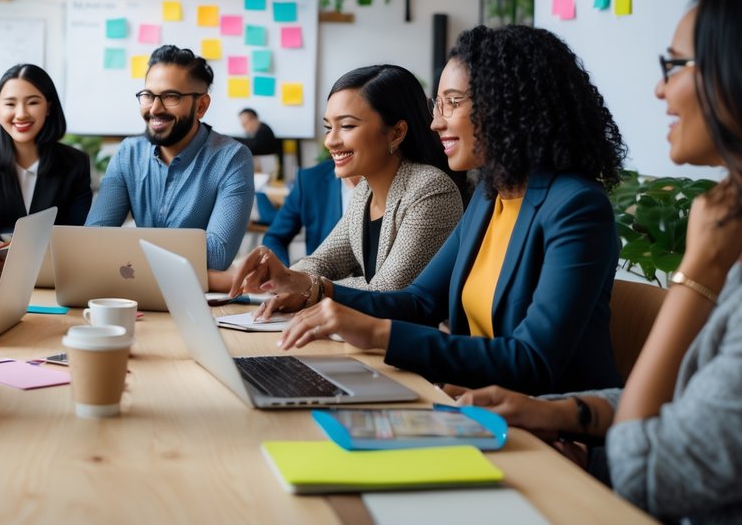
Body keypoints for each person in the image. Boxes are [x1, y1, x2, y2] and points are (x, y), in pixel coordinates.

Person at [454, 0, 742, 523]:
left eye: (674, 65)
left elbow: (653, 479)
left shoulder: (578, 203)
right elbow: (685, 407)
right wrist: (559, 414)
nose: (660, 90)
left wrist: (697, 272)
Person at [235, 25, 627, 394]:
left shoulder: (575, 207)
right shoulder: (491, 198)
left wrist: (378, 333)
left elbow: (533, 360)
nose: (437, 122)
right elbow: (420, 302)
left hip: (555, 434)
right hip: (473, 401)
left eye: (452, 104)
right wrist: (316, 290)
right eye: (437, 106)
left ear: (510, 106)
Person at [239, 65, 465, 291]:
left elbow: (386, 289)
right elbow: (322, 261)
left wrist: (304, 286)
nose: (330, 141)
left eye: (346, 126)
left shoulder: (431, 189)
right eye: (328, 127)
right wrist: (283, 278)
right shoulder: (365, 191)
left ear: (397, 133)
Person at [86, 44, 253, 292]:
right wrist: (188, 252)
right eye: (148, 95)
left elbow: (217, 254)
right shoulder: (128, 154)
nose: (154, 108)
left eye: (170, 97)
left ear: (201, 106)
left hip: (195, 300)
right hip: (137, 294)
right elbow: (94, 238)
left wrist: (128, 249)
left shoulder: (232, 158)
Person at [0, 64, 92, 235]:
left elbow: (76, 234)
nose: (21, 113)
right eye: (10, 104)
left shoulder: (75, 164)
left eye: (32, 102)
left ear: (49, 108)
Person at [261, 158, 350, 265]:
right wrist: (285, 275)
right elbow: (274, 238)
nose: (329, 143)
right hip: (320, 278)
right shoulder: (310, 180)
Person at [237, 107, 281, 179]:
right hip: (266, 166)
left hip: (267, 168)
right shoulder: (260, 130)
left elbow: (253, 148)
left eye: (245, 124)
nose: (244, 128)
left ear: (254, 119)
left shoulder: (264, 131)